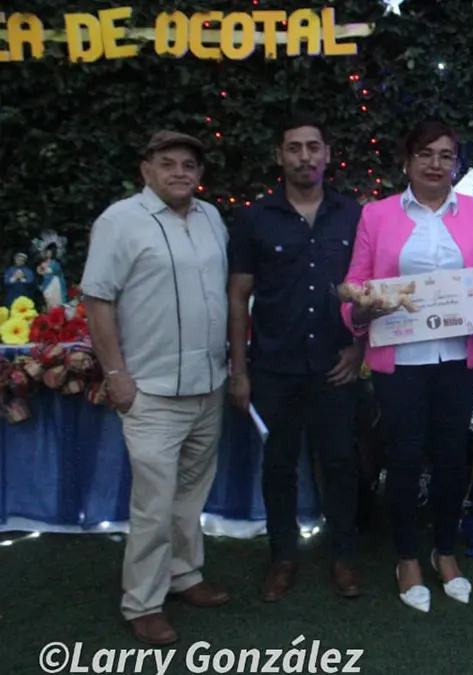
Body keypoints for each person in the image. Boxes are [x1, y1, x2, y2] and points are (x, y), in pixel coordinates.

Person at [340, 119, 473, 613]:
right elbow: (355, 287)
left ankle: (444, 551)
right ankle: (406, 558)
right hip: (401, 360)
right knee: (403, 458)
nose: (436, 164)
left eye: (446, 155)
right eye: (425, 154)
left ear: (456, 164)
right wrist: (362, 309)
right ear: (407, 161)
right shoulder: (377, 215)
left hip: (458, 357)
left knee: (451, 458)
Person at [80, 130, 231, 645]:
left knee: (190, 495)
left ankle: (185, 575)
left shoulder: (211, 218)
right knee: (154, 503)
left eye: (189, 164)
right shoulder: (119, 221)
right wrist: (115, 374)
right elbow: (97, 300)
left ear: (199, 173)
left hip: (209, 385)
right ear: (146, 170)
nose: (180, 172)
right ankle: (142, 602)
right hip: (151, 390)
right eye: (168, 163)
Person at [227, 114, 365, 602]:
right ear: (279, 155)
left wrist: (359, 347)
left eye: (313, 147)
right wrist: (238, 371)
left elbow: (370, 289)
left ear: (327, 153)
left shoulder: (354, 216)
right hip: (273, 366)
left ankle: (344, 556)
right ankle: (282, 557)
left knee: (341, 463)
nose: (304, 156)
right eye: (294, 148)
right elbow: (238, 295)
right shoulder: (254, 218)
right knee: (279, 466)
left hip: (336, 363)